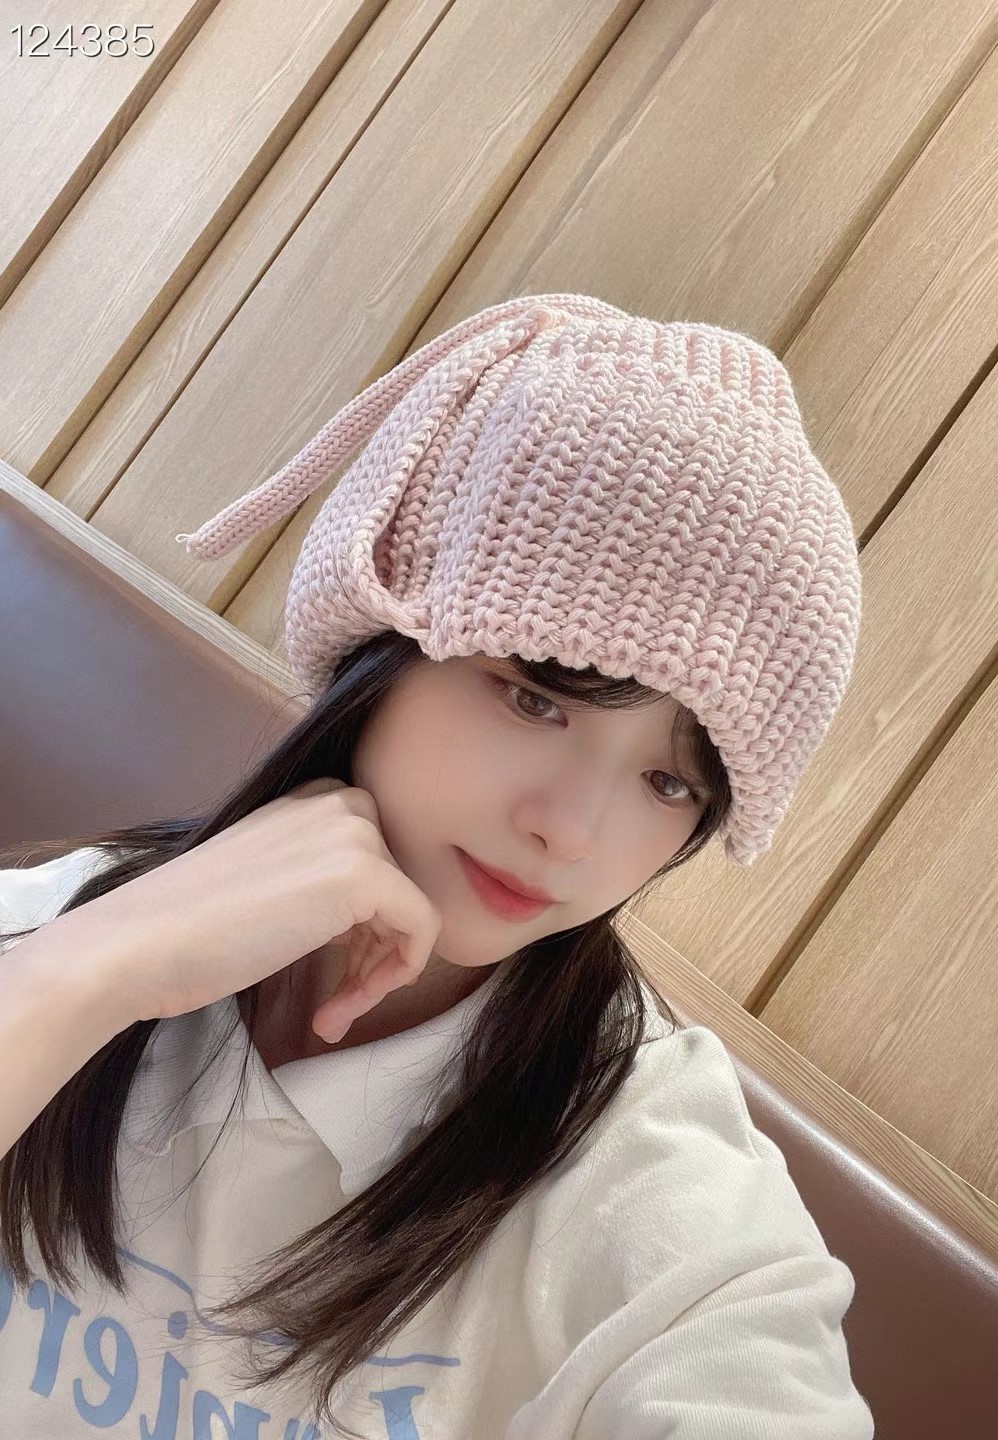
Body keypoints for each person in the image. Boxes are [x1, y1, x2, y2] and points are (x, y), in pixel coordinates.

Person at [0, 292, 873, 1439]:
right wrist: (81, 976)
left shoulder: (656, 1185)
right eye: (536, 697)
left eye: (671, 784)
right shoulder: (71, 914)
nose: (573, 832)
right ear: (384, 649)